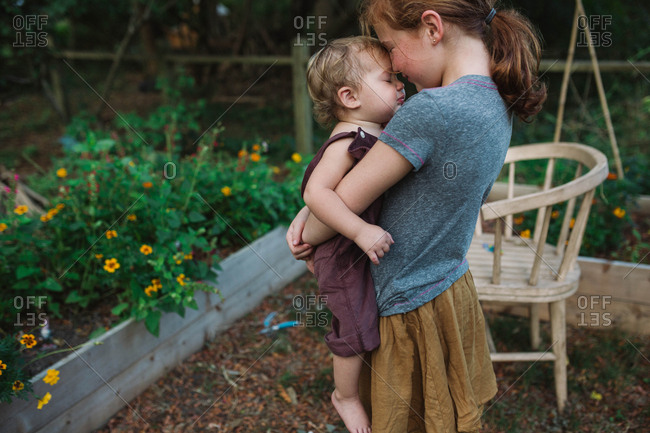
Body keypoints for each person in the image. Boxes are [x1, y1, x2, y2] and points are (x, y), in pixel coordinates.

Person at [288, 1, 547, 432]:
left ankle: (344, 397)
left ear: (431, 27)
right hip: (449, 287)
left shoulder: (431, 111)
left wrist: (305, 220)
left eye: (391, 48)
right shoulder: (497, 99)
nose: (395, 66)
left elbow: (322, 223)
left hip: (404, 306)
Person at [300, 36, 405, 433]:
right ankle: (344, 396)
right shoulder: (346, 142)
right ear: (349, 96)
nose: (400, 86)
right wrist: (361, 231)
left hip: (352, 246)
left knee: (364, 318)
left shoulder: (373, 130)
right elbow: (316, 193)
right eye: (388, 79)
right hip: (342, 254)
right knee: (353, 326)